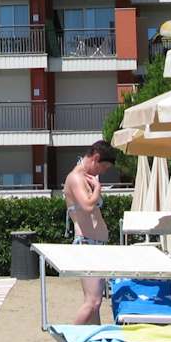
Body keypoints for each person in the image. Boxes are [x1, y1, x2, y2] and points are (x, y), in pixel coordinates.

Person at [63, 140, 117, 327]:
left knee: (95, 303)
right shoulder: (76, 178)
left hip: (94, 243)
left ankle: (95, 337)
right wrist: (98, 189)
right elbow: (87, 206)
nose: (103, 172)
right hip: (86, 243)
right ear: (95, 158)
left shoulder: (86, 178)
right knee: (92, 302)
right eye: (103, 167)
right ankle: (68, 340)